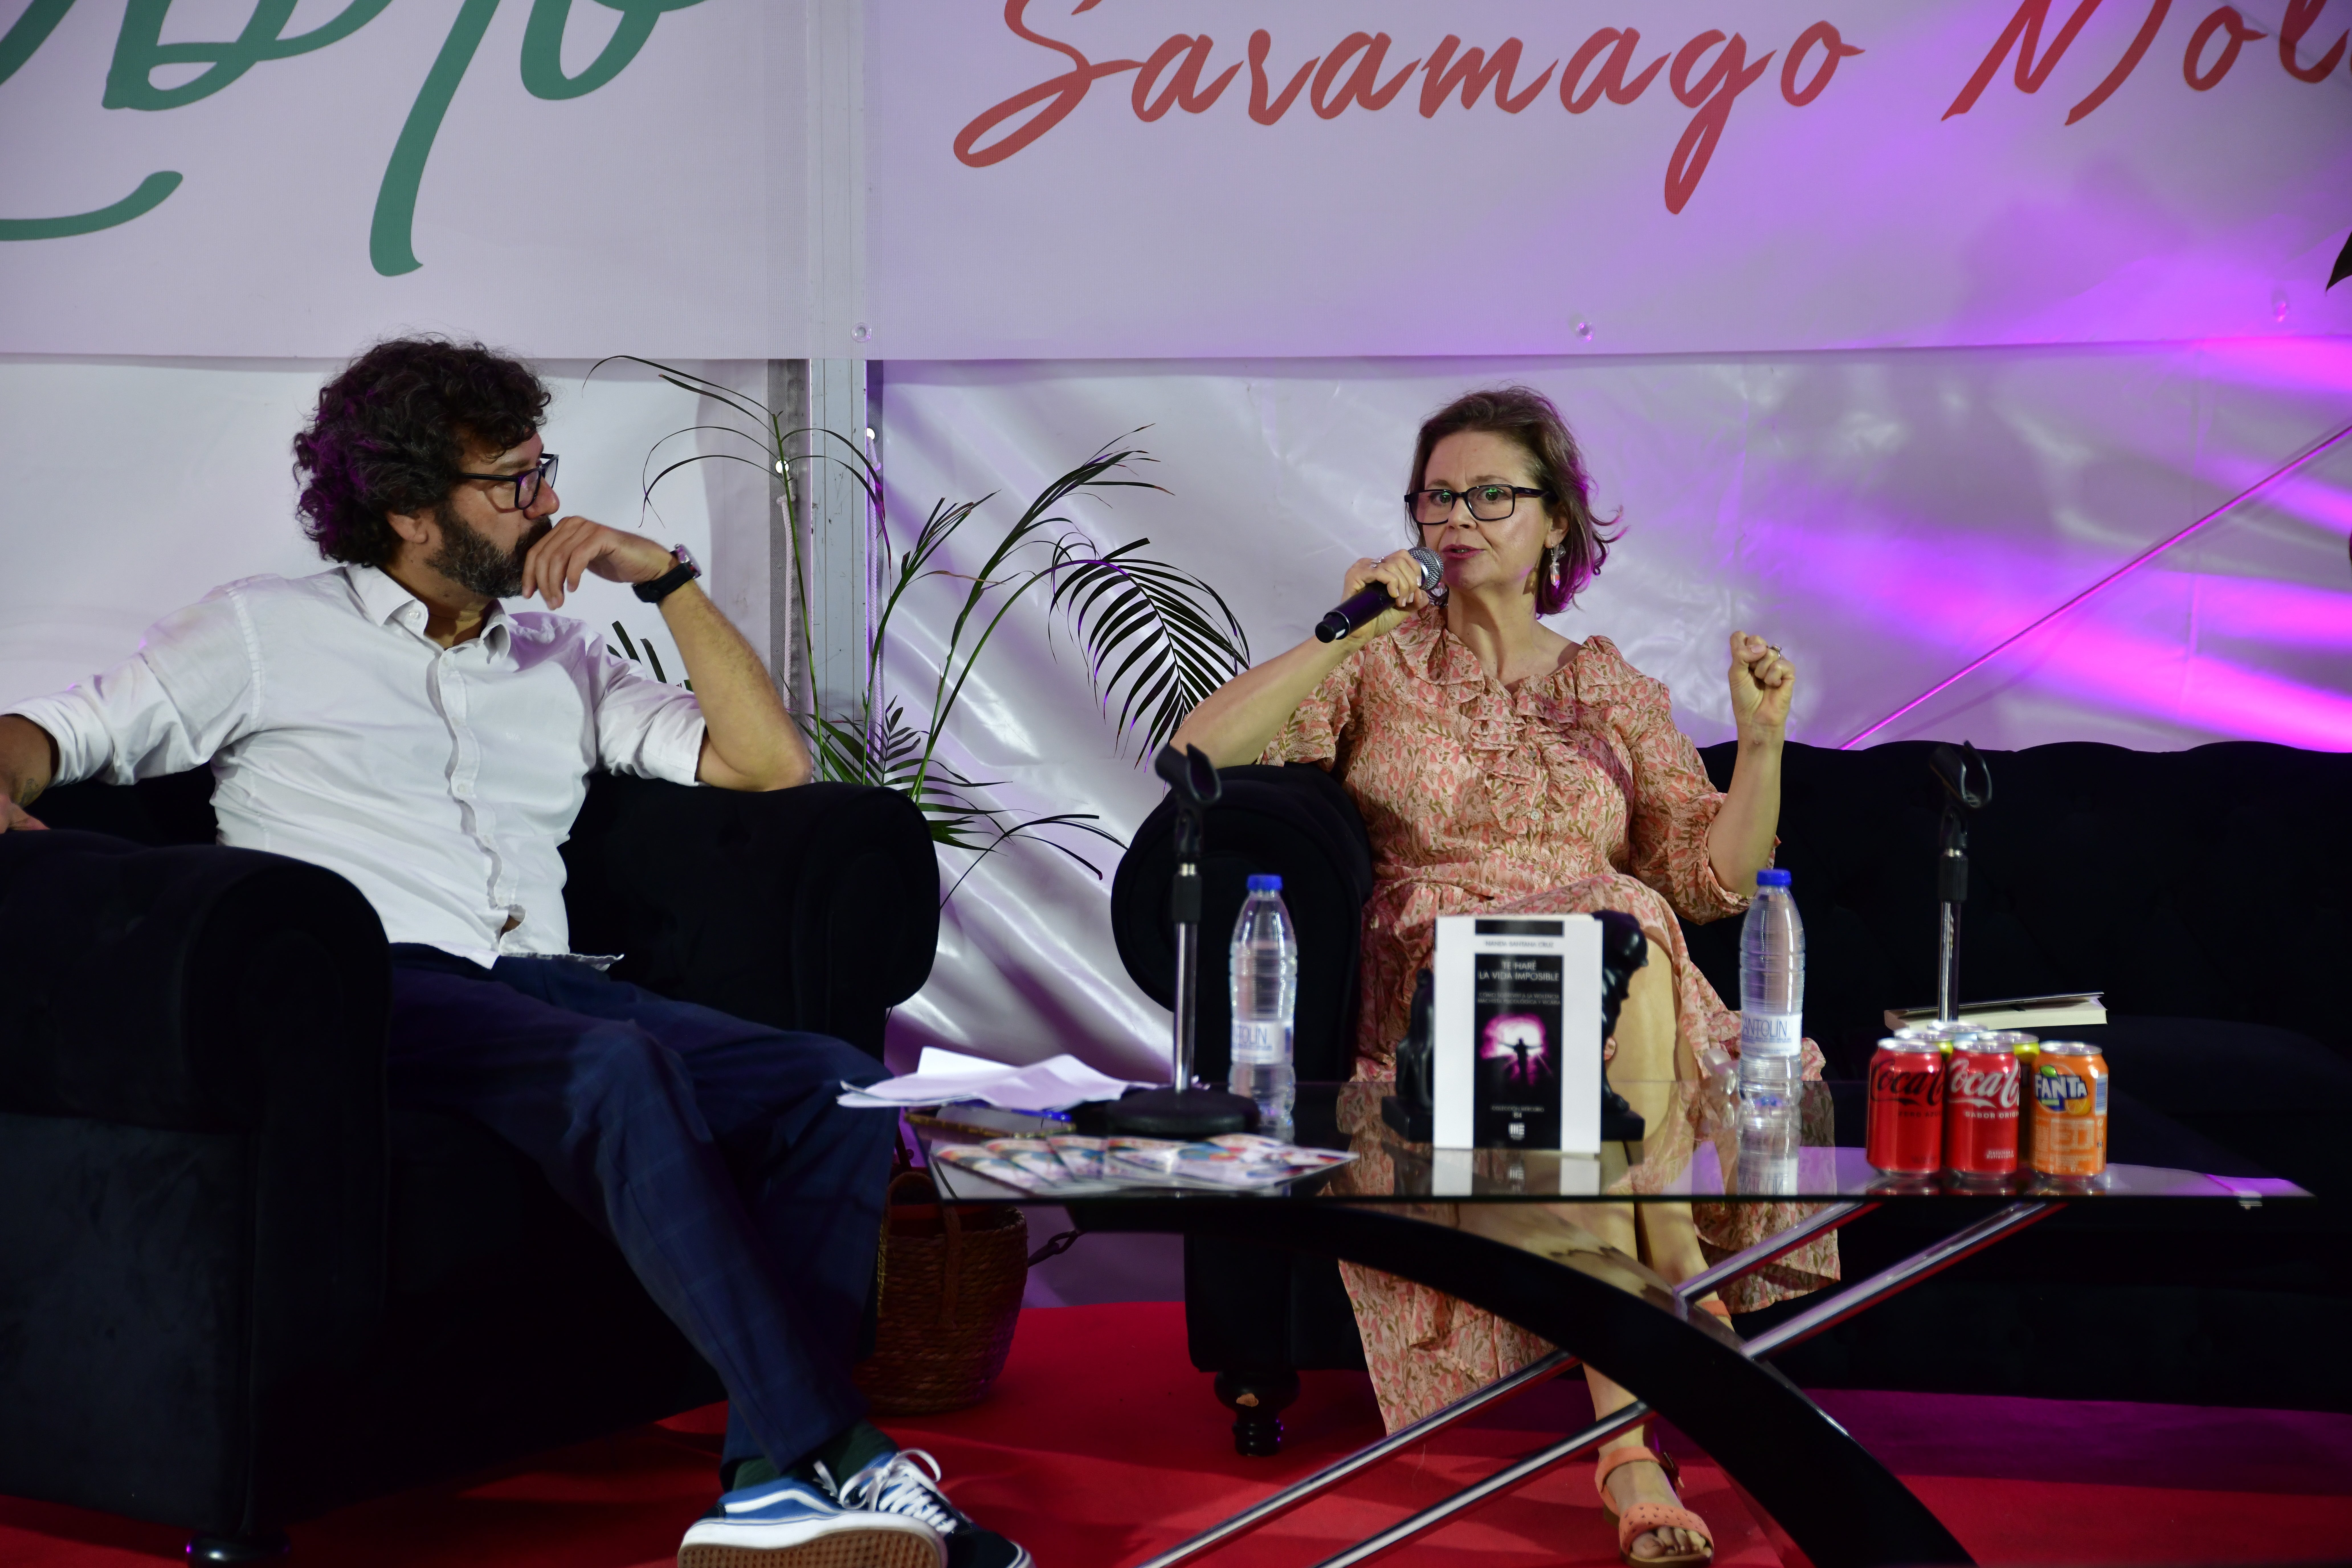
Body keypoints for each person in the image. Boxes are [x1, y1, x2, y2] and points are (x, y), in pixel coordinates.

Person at [0, 337, 1024, 1568]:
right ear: (405, 509)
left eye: (544, 468)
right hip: (370, 993)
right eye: (512, 481)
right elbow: (50, 738)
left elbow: (767, 766)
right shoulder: (265, 633)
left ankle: (767, 1474)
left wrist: (667, 580)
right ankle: (837, 1452)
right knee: (614, 1069)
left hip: (535, 990)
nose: (548, 503)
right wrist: (43, 856)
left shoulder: (560, 657)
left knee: (836, 1083)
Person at [1169, 385, 1834, 1568]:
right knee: (1560, 951)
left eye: (1490, 493)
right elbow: (1195, 756)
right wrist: (1354, 626)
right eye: (1437, 493)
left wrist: (1764, 740)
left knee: (1611, 920)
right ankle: (1692, 1302)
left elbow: (1709, 878)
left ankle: (1629, 1437)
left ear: (1558, 525)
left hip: (1609, 985)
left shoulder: (1612, 689)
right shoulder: (1379, 669)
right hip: (1446, 978)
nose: (1457, 514)